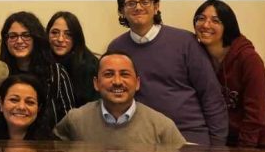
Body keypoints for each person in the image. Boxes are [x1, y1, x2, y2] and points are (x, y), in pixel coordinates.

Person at [106, 0, 227, 147]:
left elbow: (211, 96)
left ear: (156, 7)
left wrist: (217, 147)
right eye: (131, 3)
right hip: (141, 141)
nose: (138, 7)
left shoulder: (186, 42)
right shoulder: (116, 48)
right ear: (122, 11)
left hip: (189, 139)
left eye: (145, 2)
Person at [193, 0, 265, 149]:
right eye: (201, 18)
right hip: (227, 138)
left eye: (215, 20)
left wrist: (244, 150)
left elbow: (255, 113)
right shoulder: (198, 56)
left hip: (259, 139)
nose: (206, 25)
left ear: (228, 26)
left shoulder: (248, 58)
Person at [54, 51, 186, 145]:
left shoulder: (162, 127)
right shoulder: (75, 120)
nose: (117, 81)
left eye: (124, 74)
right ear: (96, 83)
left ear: (137, 83)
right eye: (109, 74)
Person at [0, 11, 75, 125]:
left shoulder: (56, 73)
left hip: (50, 135)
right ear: (6, 41)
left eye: (26, 35)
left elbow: (69, 119)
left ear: (36, 38)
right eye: (13, 36)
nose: (19, 41)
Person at [47, 11, 98, 107]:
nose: (60, 39)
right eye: (55, 33)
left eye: (68, 34)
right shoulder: (42, 62)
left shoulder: (90, 66)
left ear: (77, 38)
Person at [0, 73, 55, 141]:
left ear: (39, 108)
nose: (21, 107)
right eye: (14, 100)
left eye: (30, 102)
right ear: (1, 103)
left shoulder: (53, 144)